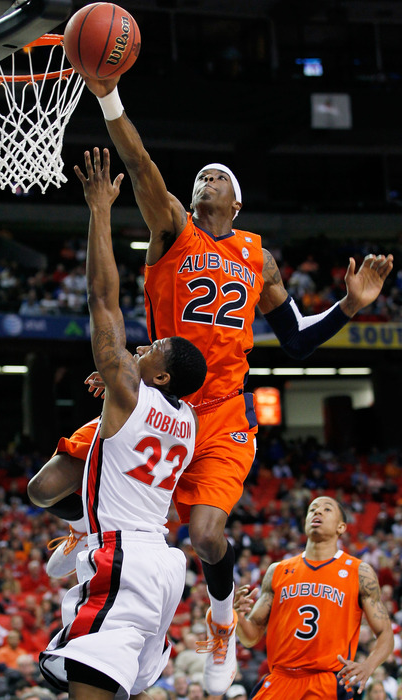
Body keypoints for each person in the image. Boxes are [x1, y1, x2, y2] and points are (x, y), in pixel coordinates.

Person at [31, 72, 394, 695]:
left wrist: (350, 307)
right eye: (201, 175)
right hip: (158, 400)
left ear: (238, 201)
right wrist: (109, 95)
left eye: (220, 176)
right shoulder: (174, 228)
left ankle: (222, 623)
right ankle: (85, 536)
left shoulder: (260, 257)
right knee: (44, 488)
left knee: (204, 535)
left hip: (221, 413)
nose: (209, 177)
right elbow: (141, 166)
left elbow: (300, 339)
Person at [38, 148, 207, 700]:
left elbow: (101, 298)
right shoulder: (186, 420)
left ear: (159, 377)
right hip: (161, 565)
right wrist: (115, 384)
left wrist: (100, 210)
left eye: (152, 347)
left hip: (125, 557)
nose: (143, 345)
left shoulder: (133, 393)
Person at [234, 496, 394, 698]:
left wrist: (368, 666)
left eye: (327, 509)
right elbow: (251, 637)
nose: (317, 512)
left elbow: (385, 633)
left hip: (326, 680)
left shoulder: (359, 572)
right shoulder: (278, 570)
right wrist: (238, 616)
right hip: (280, 678)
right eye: (312, 509)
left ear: (341, 527)